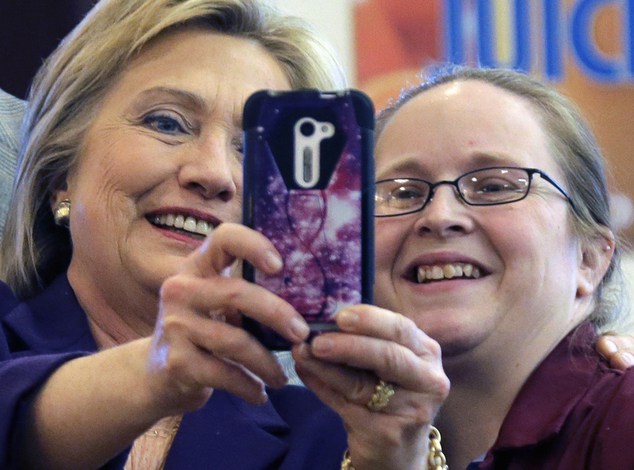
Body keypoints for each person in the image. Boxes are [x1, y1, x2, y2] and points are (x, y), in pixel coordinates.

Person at [0, 0, 444, 468]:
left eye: (251, 147)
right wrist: (153, 372)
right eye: (166, 123)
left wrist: (393, 456)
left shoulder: (329, 435)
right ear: (60, 176)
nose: (214, 173)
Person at [360, 64, 634, 468]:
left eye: (494, 186)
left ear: (589, 258)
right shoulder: (313, 439)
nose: (439, 216)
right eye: (402, 193)